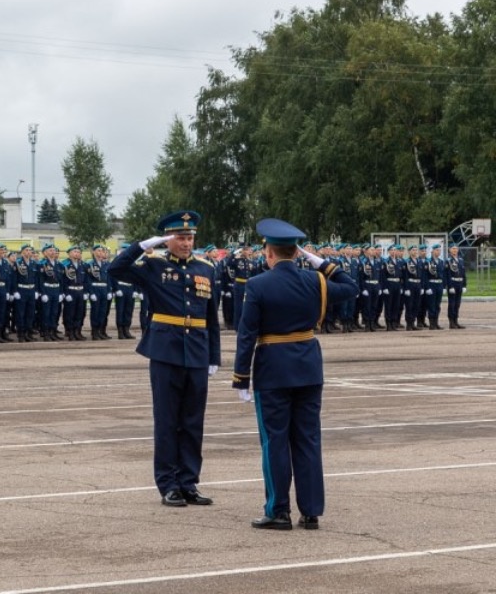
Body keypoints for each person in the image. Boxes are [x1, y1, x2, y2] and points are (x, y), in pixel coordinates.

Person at [232, 219, 358, 531]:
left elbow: (246, 335)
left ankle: (278, 511)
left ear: (269, 253)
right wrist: (322, 263)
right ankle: (311, 511)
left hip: (273, 370)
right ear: (296, 253)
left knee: (275, 441)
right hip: (308, 368)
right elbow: (352, 287)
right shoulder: (315, 280)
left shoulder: (258, 285)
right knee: (308, 440)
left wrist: (240, 377)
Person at [108, 211, 221, 508]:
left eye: (190, 237)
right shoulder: (152, 265)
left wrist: (214, 356)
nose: (186, 243)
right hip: (165, 351)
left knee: (193, 422)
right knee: (168, 421)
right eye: (180, 238)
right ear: (168, 239)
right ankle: (168, 484)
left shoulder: (206, 267)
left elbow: (211, 316)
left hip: (197, 350)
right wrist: (142, 246)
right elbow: (115, 269)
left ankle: (189, 482)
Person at [445, 244, 467, 329]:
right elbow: (447, 275)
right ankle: (451, 322)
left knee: (457, 304)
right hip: (453, 283)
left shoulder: (460, 260)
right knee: (452, 304)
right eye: (453, 249)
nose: (454, 250)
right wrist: (450, 286)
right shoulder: (448, 261)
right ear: (449, 250)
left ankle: (456, 321)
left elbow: (463, 274)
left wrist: (464, 285)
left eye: (456, 249)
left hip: (460, 283)